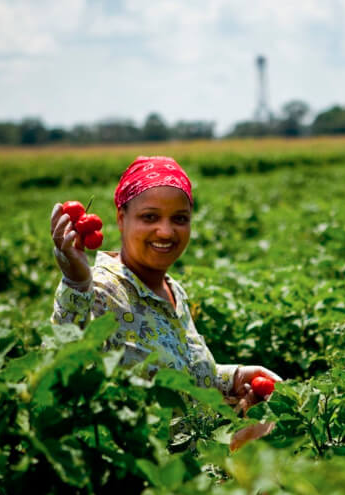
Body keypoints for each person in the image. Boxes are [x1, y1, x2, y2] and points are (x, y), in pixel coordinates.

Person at [49, 156, 279, 446]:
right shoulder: (100, 289)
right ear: (121, 219)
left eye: (179, 219)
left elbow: (178, 372)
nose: (166, 231)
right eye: (150, 217)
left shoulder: (173, 290)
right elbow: (65, 364)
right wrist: (76, 282)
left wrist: (233, 378)